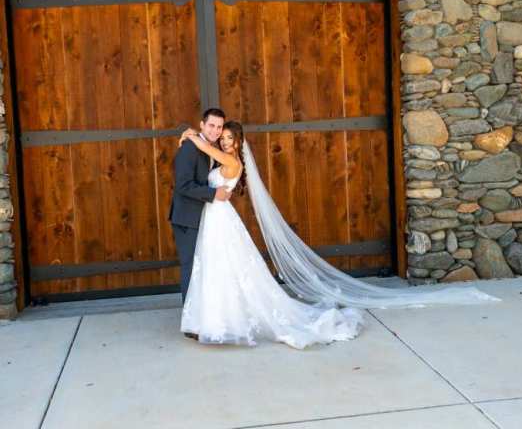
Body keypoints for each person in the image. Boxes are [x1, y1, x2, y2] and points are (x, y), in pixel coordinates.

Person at [177, 121, 499, 350]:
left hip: (221, 218)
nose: (225, 141)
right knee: (220, 270)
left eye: (230, 137)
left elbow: (209, 151)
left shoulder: (230, 161)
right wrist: (194, 137)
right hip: (215, 219)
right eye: (224, 136)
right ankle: (216, 318)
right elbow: (205, 160)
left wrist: (192, 136)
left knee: (232, 269)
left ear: (238, 143)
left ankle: (227, 320)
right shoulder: (217, 153)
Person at [168, 108, 232, 338]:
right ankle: (190, 324)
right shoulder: (189, 149)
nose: (215, 130)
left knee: (202, 268)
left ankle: (201, 316)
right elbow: (183, 186)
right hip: (187, 218)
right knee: (190, 268)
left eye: (219, 127)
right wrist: (213, 194)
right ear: (202, 125)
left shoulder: (209, 146)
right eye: (211, 126)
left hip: (203, 217)